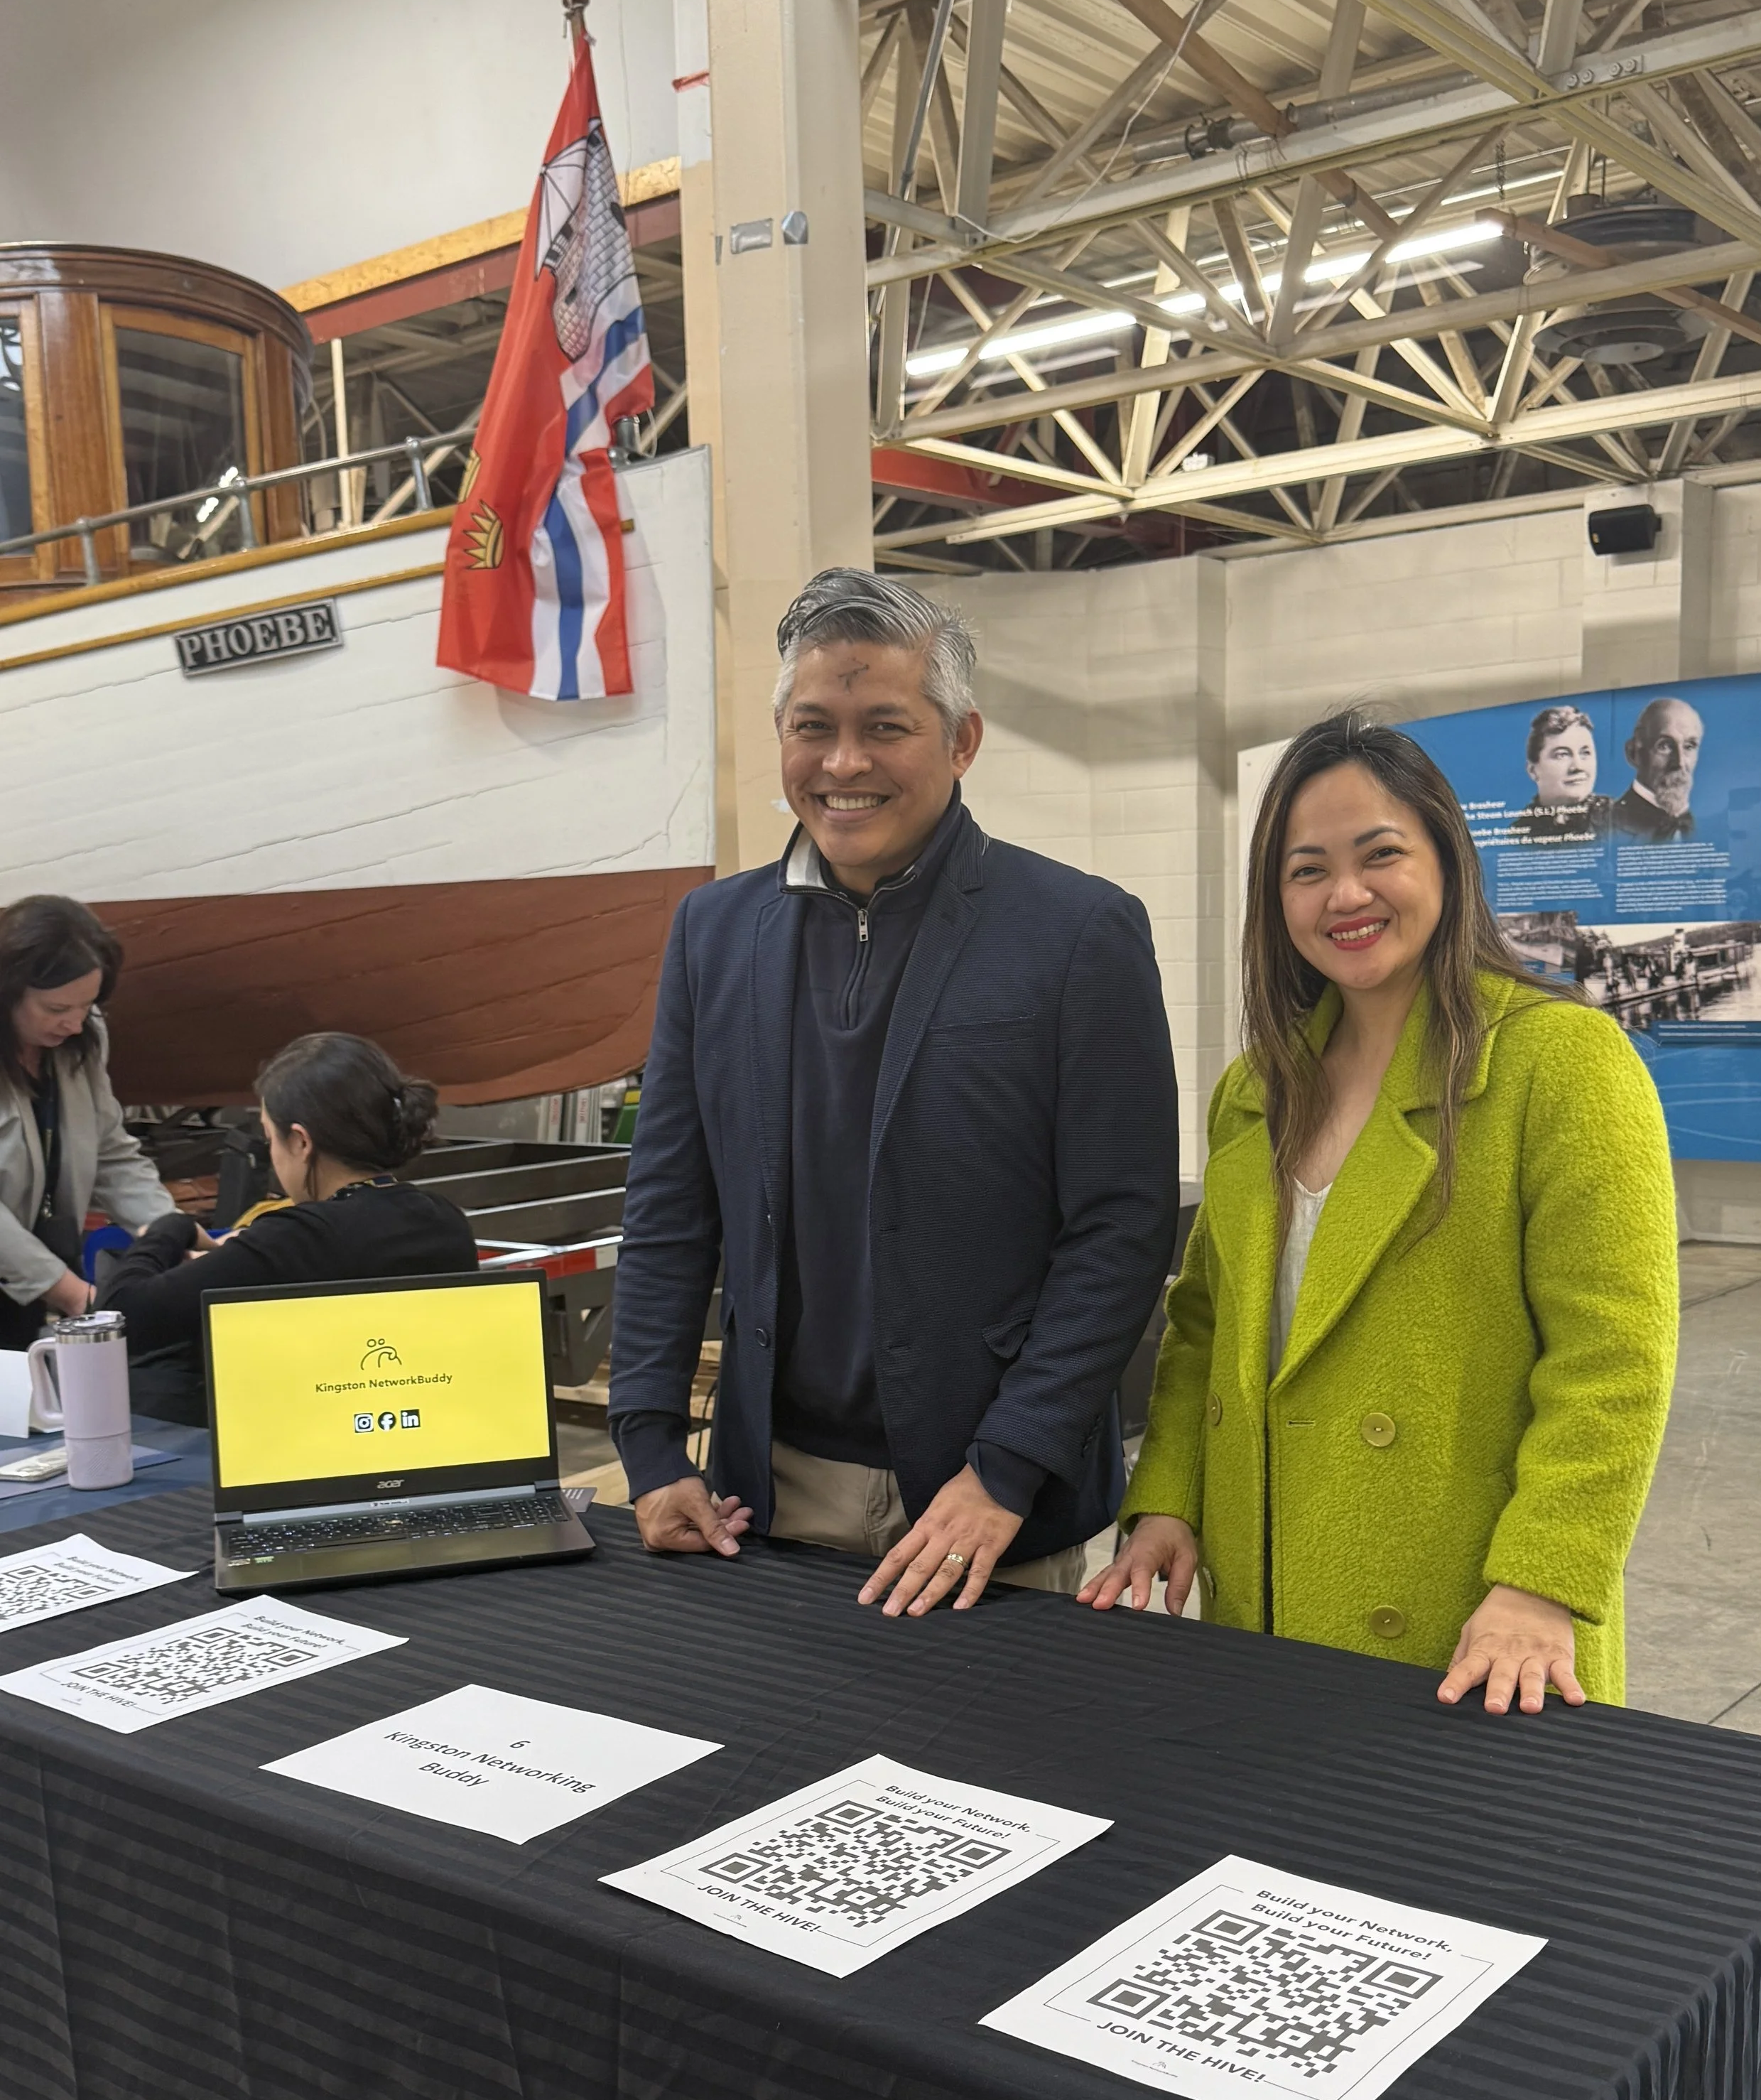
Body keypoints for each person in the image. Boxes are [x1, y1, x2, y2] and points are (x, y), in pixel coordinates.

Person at [607, 566, 1179, 1613]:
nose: (843, 763)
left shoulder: (1078, 934)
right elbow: (669, 1207)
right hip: (761, 1494)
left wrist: (1009, 1464)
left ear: (961, 741)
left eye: (886, 727)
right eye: (812, 725)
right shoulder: (712, 937)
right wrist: (648, 1444)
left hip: (990, 1507)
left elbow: (1120, 1230)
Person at [1082, 712, 1678, 1712]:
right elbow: (1201, 1327)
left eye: (1380, 855)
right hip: (1262, 1591)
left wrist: (1542, 1578)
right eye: (1306, 870)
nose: (1345, 895)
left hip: (1478, 1623)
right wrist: (1169, 1499)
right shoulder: (1257, 1091)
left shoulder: (1561, 1064)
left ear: (1447, 858)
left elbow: (1614, 1360)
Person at [98, 1031, 479, 1424]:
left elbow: (119, 1316)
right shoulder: (444, 1220)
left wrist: (170, 1227)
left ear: (300, 1142)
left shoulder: (298, 1237)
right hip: (418, 1438)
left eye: (270, 1140)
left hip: (306, 1454)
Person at [0, 894, 180, 1351]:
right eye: (57, 1010)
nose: (76, 1025)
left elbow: (112, 1154)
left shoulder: (84, 1035)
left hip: (40, 1276)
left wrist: (172, 1235)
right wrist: (77, 1296)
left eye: (87, 1006)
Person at [1609, 695, 1702, 840]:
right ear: (1633, 753)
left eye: (1689, 746)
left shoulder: (1705, 828)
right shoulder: (1607, 828)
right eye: (1664, 746)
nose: (1680, 763)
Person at [1509, 705, 1605, 840]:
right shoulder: (1519, 833)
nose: (1578, 766)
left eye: (1585, 753)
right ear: (1532, 771)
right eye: (1562, 755)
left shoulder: (1621, 819)